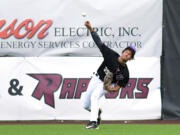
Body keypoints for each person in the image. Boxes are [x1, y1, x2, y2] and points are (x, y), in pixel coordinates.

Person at [83, 21, 136, 129]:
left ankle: (93, 122)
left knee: (95, 96)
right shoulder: (110, 55)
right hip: (96, 78)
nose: (127, 54)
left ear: (130, 58)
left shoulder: (124, 73)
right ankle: (97, 112)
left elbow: (118, 86)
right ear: (123, 51)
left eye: (129, 54)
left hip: (106, 84)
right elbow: (99, 42)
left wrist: (110, 89)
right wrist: (90, 29)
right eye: (126, 51)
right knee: (86, 105)